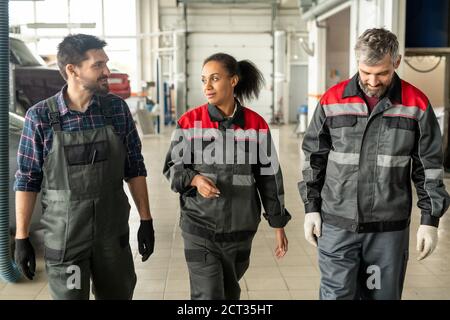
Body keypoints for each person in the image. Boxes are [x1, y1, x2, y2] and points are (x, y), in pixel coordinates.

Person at [298, 28, 450, 300]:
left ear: (397, 62)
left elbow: (429, 167)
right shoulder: (333, 100)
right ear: (357, 63)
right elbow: (313, 157)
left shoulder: (416, 105)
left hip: (387, 231)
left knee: (379, 297)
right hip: (337, 225)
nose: (372, 80)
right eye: (366, 71)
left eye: (382, 73)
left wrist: (430, 220)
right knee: (335, 295)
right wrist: (311, 207)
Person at [13, 34, 155, 300]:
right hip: (67, 243)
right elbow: (27, 180)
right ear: (72, 70)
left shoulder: (116, 110)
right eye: (98, 65)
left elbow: (134, 167)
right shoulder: (41, 117)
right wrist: (22, 238)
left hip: (112, 239)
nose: (107, 72)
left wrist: (146, 220)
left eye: (106, 64)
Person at [163, 53, 291, 300]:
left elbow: (270, 178)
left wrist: (278, 224)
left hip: (240, 229)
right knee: (208, 295)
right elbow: (172, 167)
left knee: (230, 293)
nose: (207, 86)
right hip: (199, 226)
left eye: (215, 78)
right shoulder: (190, 122)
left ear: (233, 81)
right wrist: (195, 179)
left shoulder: (256, 125)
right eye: (204, 80)